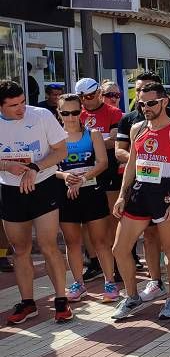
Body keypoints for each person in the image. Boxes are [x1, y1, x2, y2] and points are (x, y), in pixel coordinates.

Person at [110, 82, 170, 321]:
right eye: (141, 103)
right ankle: (132, 296)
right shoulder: (137, 128)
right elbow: (132, 166)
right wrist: (122, 196)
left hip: (165, 195)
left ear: (164, 101)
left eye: (151, 103)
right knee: (119, 249)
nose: (146, 107)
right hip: (139, 193)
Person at [0, 79, 72, 325]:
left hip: (44, 185)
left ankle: (61, 301)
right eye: (13, 106)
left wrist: (35, 167)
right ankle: (28, 302)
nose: (21, 109)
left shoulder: (41, 115)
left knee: (48, 243)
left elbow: (61, 150)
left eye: (22, 102)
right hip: (10, 189)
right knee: (20, 250)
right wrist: (5, 165)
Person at [54, 93, 118, 302]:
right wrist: (66, 177)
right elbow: (50, 167)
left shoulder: (93, 134)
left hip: (92, 193)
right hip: (66, 195)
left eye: (75, 112)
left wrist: (82, 179)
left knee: (101, 241)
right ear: (59, 113)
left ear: (81, 111)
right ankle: (78, 283)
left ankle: (110, 282)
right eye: (66, 113)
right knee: (72, 243)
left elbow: (103, 163)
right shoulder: (53, 137)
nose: (71, 117)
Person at [75, 78, 123, 219]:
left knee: (112, 213)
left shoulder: (113, 112)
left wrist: (84, 145)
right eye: (81, 97)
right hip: (84, 168)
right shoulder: (76, 113)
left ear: (98, 93)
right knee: (87, 216)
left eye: (89, 96)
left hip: (109, 169)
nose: (85, 100)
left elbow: (114, 141)